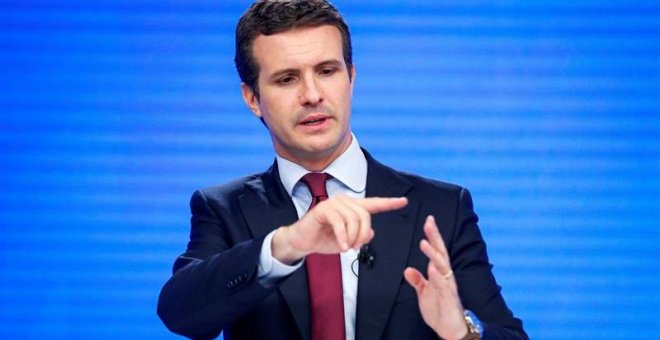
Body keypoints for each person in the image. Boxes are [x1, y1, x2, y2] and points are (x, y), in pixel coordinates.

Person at [157, 1, 528, 339]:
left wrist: (462, 332)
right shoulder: (224, 208)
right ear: (252, 98)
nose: (312, 94)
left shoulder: (441, 207)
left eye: (327, 70)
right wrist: (288, 243)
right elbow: (181, 314)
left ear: (351, 77)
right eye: (287, 79)